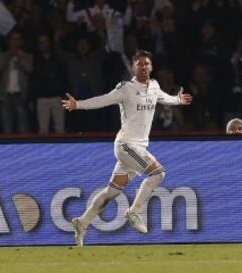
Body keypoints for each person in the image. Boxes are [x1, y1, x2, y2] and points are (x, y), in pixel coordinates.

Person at [61, 50, 192, 246]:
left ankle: (82, 222)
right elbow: (103, 100)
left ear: (151, 66)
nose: (144, 67)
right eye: (139, 64)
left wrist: (178, 100)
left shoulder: (154, 86)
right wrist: (77, 104)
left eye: (147, 64)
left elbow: (165, 98)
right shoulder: (126, 88)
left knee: (111, 193)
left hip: (136, 149)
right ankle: (134, 212)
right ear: (133, 68)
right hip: (126, 145)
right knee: (158, 174)